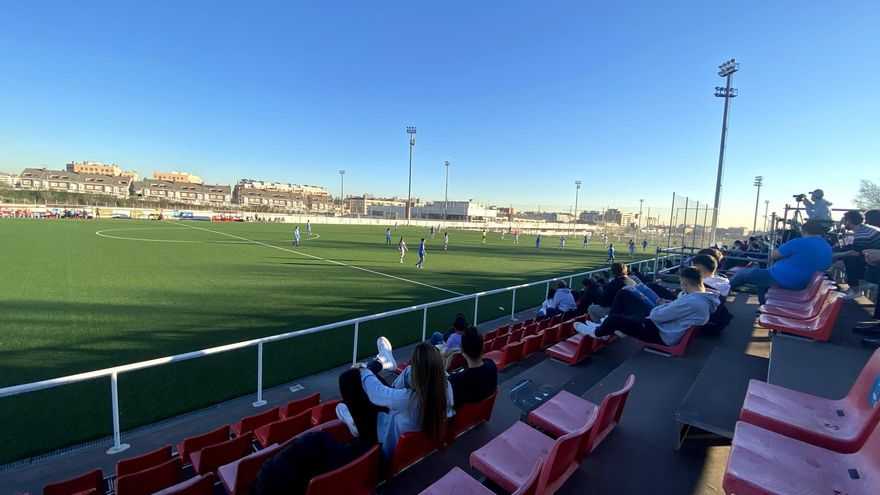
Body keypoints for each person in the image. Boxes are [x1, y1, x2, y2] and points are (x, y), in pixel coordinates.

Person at [336, 340, 454, 460]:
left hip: (384, 445)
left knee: (348, 377)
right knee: (406, 372)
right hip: (416, 437)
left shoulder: (406, 399)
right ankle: (383, 362)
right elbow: (425, 373)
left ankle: (356, 423)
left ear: (418, 373)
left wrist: (363, 368)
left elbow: (376, 392)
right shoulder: (447, 387)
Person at [577, 267, 719, 345]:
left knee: (614, 319)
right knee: (624, 293)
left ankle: (597, 332)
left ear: (684, 283)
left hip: (660, 332)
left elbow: (657, 315)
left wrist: (661, 305)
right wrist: (667, 304)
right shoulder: (700, 297)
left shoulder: (693, 302)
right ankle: (604, 327)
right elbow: (674, 311)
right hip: (661, 324)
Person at [729, 220, 832, 304]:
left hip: (784, 279)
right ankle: (763, 305)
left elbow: (774, 255)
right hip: (804, 283)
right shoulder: (827, 247)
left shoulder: (799, 242)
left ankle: (719, 292)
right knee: (761, 281)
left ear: (804, 231)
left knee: (743, 274)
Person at [447, 327, 498, 409]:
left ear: (462, 351)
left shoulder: (456, 381)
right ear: (483, 348)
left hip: (458, 419)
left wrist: (446, 367)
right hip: (480, 414)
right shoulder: (491, 366)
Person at [834, 210, 880, 298]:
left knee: (850, 258)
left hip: (876, 258)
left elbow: (855, 252)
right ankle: (859, 284)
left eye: (844, 221)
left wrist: (836, 255)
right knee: (843, 249)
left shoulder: (861, 233)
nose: (843, 223)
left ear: (849, 221)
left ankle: (856, 289)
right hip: (873, 253)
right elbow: (853, 246)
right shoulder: (863, 228)